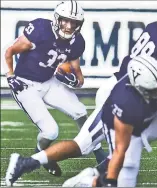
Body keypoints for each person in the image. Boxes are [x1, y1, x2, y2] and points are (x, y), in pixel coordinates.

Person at [5, 6, 157, 187]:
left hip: (138, 88)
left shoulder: (155, 30)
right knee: (92, 146)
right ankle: (71, 172)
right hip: (127, 95)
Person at [3, 0, 106, 177]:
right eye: (65, 20)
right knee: (51, 131)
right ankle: (43, 156)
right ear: (57, 19)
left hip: (49, 81)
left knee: (80, 111)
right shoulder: (41, 30)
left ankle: (100, 155)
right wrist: (10, 76)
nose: (68, 26)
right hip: (25, 83)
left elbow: (78, 76)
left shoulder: (77, 42)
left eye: (74, 22)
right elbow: (8, 51)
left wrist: (74, 81)